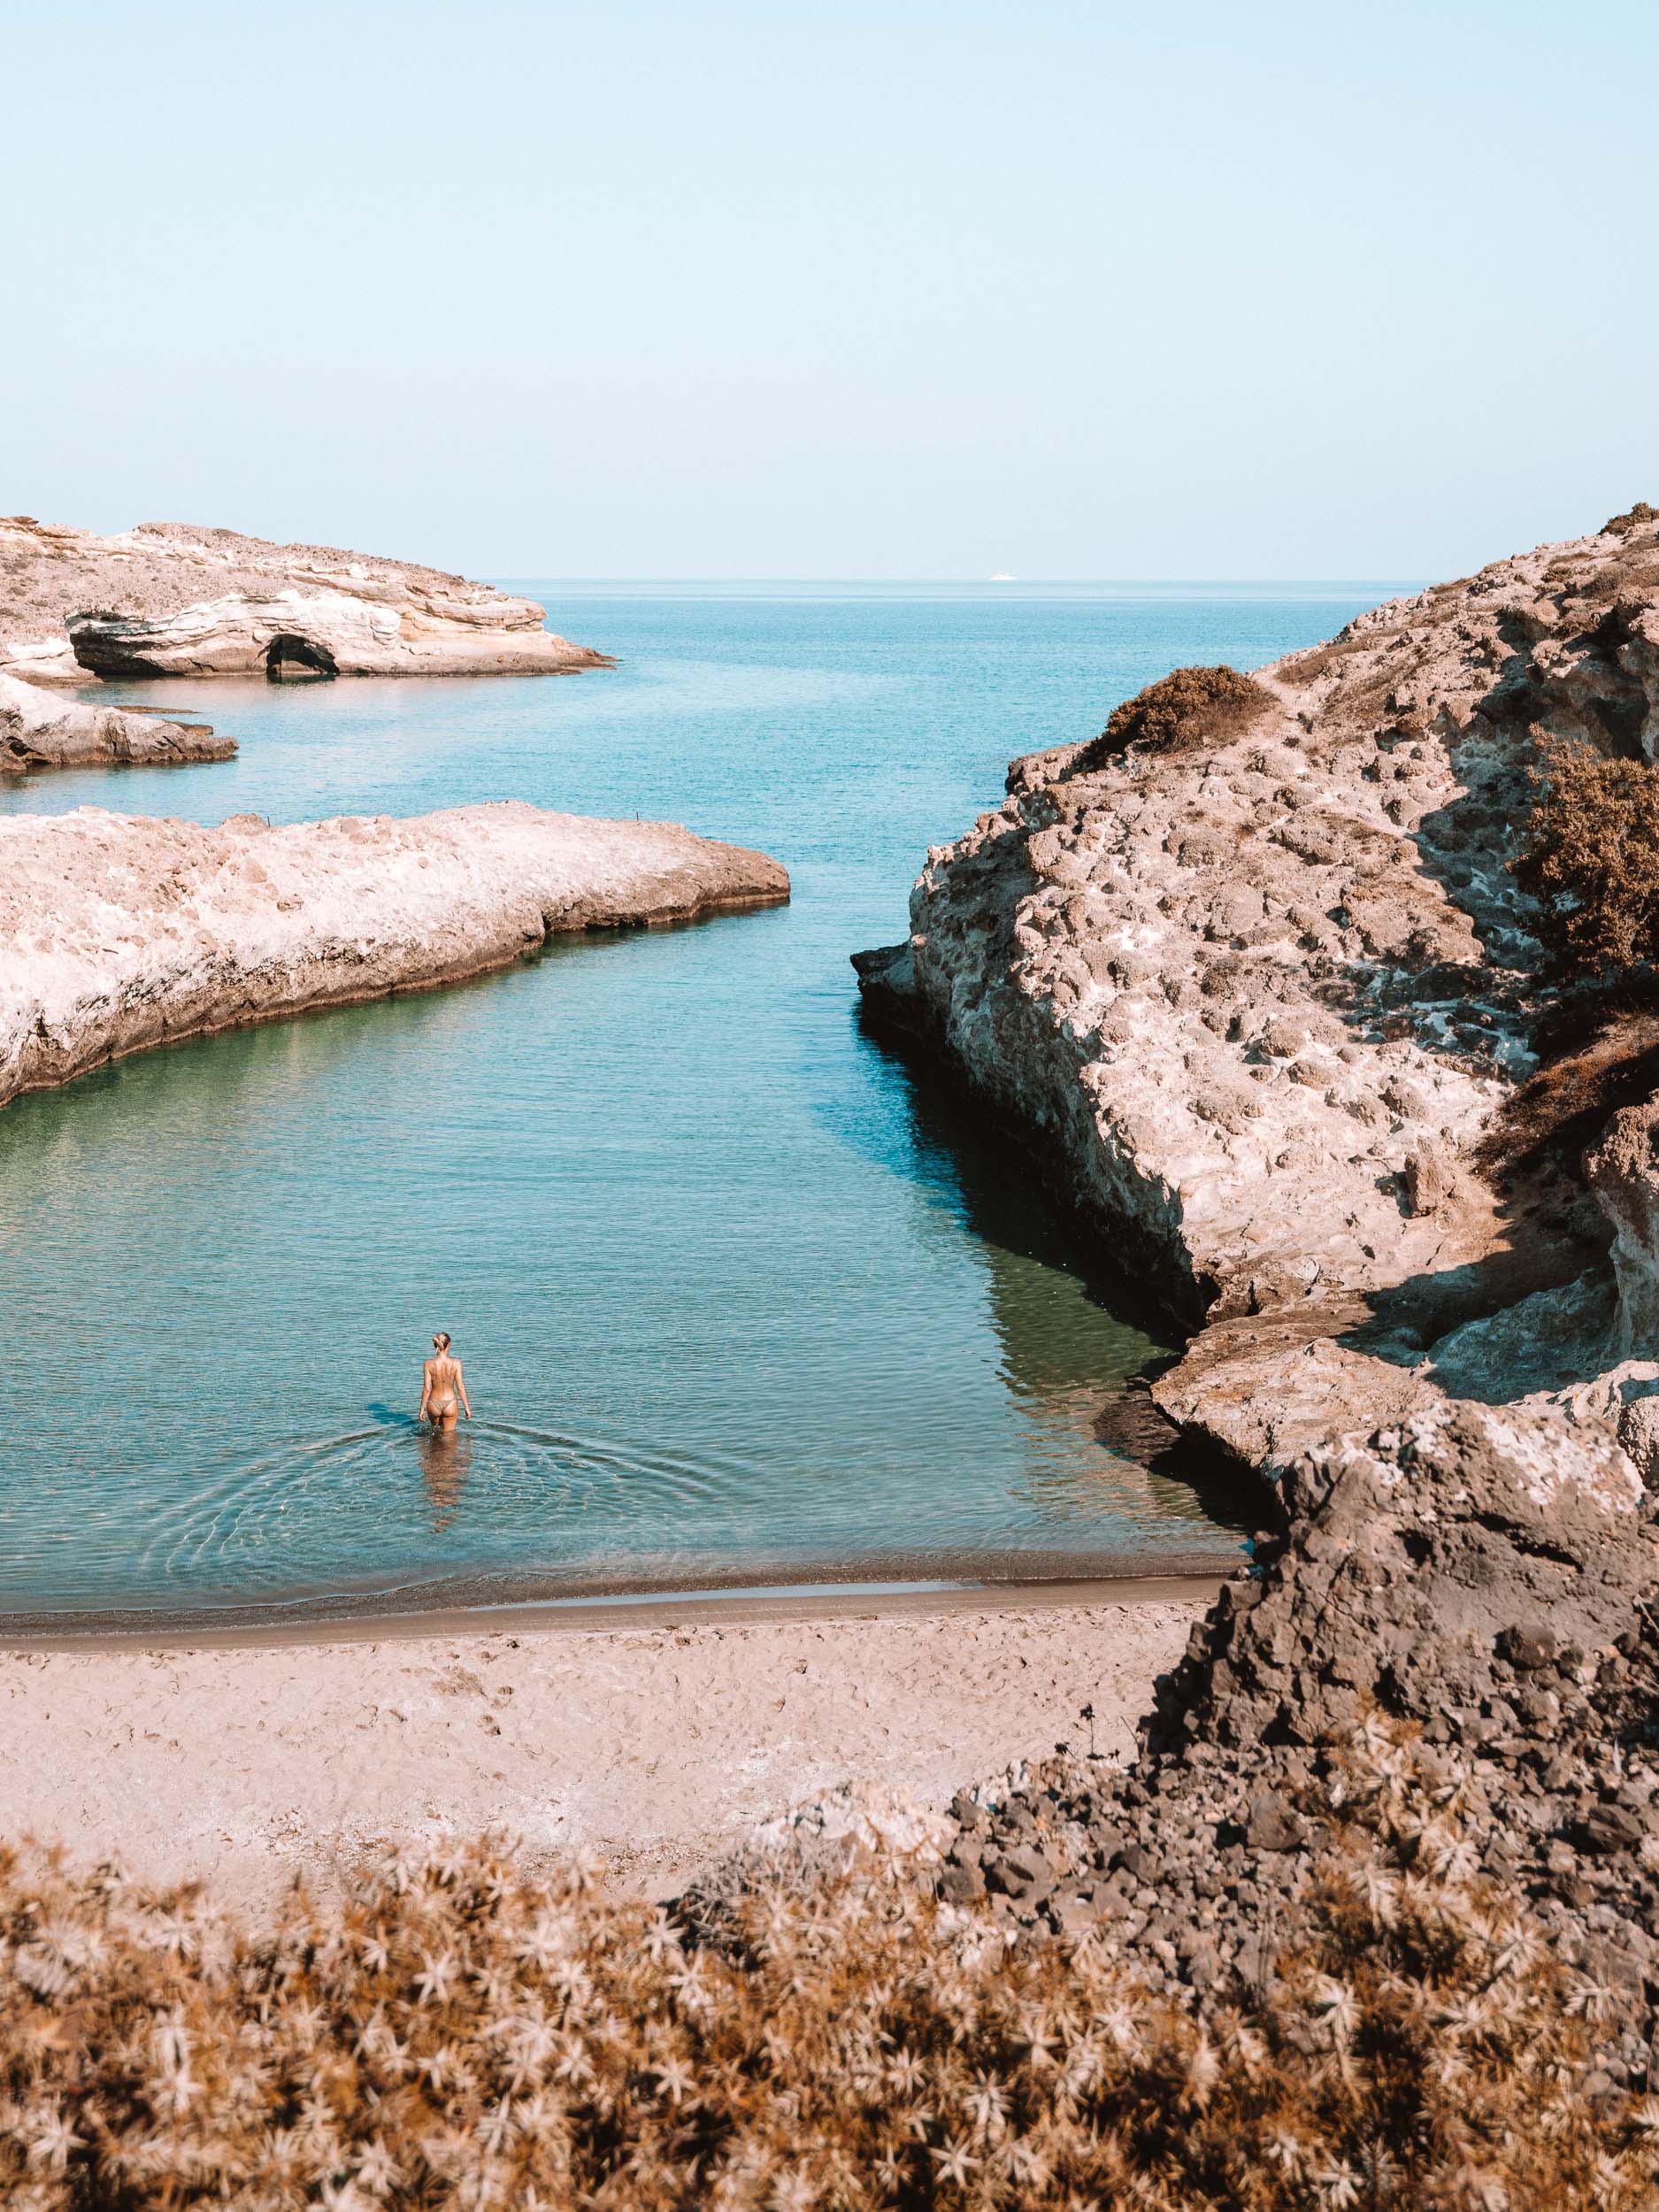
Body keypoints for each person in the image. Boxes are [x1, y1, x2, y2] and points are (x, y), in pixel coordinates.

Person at [419, 1332, 472, 1429]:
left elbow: (426, 1388)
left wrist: (422, 1409)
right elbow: (460, 1387)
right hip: (450, 1402)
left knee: (435, 1434)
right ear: (449, 1345)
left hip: (433, 1403)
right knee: (449, 1435)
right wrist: (466, 1407)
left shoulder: (428, 1364)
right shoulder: (456, 1363)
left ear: (435, 1345)